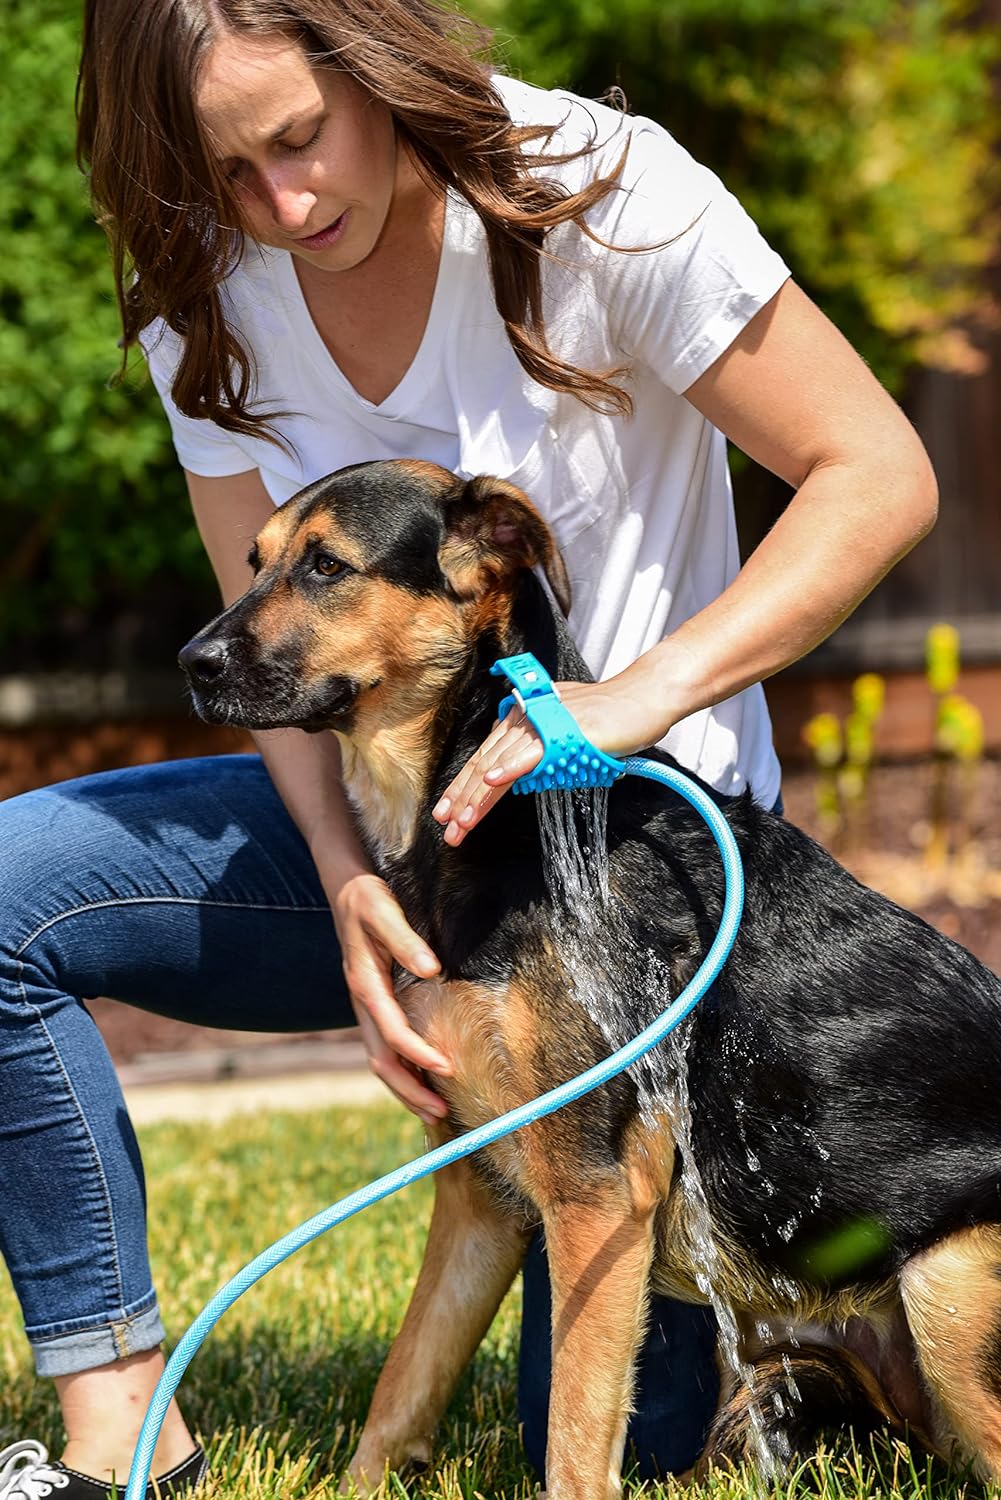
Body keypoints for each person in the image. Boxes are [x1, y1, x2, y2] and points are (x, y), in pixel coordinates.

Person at [0, 0, 938, 1494]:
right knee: (9, 892)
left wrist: (637, 697)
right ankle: (123, 1424)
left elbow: (876, 474)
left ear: (374, 60)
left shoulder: (599, 191)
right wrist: (343, 881)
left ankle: (794, 1331)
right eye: (224, 170)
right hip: (386, 830)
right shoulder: (203, 279)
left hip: (635, 868)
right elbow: (267, 656)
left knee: (605, 1427)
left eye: (298, 138)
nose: (279, 205)